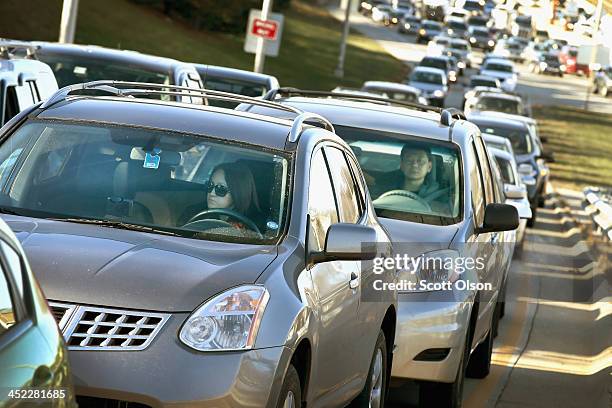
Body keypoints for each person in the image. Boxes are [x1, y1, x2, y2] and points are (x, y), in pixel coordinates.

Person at [364, 141, 448, 210]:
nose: (414, 165)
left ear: (429, 167)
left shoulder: (440, 197)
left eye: (420, 161)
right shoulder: (383, 187)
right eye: (409, 160)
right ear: (401, 165)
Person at [179, 162, 262, 231]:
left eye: (221, 189)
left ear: (237, 193)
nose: (212, 193)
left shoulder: (256, 226)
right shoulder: (193, 213)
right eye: (210, 185)